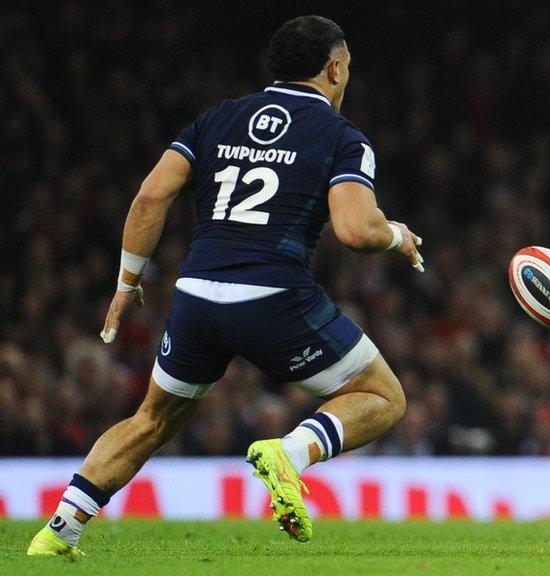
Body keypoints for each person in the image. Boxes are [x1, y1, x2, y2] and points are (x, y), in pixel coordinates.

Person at [28, 15, 423, 556]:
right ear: (334, 68)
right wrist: (397, 235)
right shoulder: (341, 136)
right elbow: (356, 231)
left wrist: (127, 283)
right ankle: (292, 453)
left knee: (151, 418)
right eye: (348, 66)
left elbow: (149, 197)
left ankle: (58, 532)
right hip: (274, 297)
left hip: (197, 296)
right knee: (383, 396)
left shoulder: (219, 119)